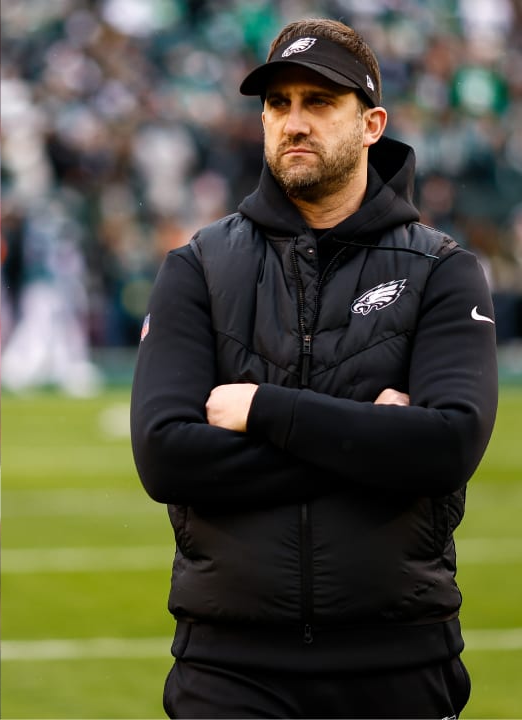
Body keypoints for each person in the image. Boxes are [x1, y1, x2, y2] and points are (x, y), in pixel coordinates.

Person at [130, 18, 498, 719]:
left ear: (371, 124)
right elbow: (166, 458)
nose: (293, 122)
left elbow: (447, 446)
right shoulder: (197, 268)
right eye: (278, 104)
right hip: (228, 673)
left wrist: (266, 412)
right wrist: (372, 440)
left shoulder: (443, 270)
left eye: (320, 101)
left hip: (401, 666)